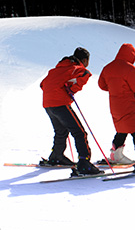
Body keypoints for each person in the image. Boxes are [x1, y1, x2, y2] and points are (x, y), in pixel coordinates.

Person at [40, 47, 102, 175]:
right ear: (84, 60)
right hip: (60, 103)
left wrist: (61, 87)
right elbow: (85, 74)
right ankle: (84, 163)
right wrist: (72, 89)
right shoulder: (76, 68)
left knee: (61, 130)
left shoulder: (58, 69)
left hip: (48, 104)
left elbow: (42, 84)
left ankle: (57, 155)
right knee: (79, 132)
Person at [98, 43, 135, 172]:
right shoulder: (129, 68)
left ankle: (115, 155)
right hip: (129, 105)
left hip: (115, 105)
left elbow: (102, 85)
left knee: (122, 129)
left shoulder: (107, 67)